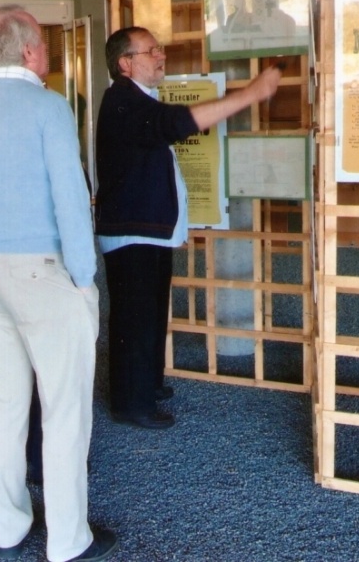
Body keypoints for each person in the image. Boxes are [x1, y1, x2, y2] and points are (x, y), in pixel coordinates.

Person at [0, 5, 117, 562]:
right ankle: (67, 540)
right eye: (42, 42)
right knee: (64, 412)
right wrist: (85, 280)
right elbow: (70, 199)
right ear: (29, 51)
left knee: (7, 405)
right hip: (45, 272)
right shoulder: (48, 106)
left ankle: (9, 527)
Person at [95, 26, 282, 430]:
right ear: (126, 63)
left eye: (160, 48)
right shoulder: (122, 101)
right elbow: (176, 124)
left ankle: (144, 384)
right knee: (134, 318)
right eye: (151, 51)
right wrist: (249, 95)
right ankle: (131, 402)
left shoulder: (136, 99)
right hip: (132, 233)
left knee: (148, 314)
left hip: (145, 229)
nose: (161, 56)